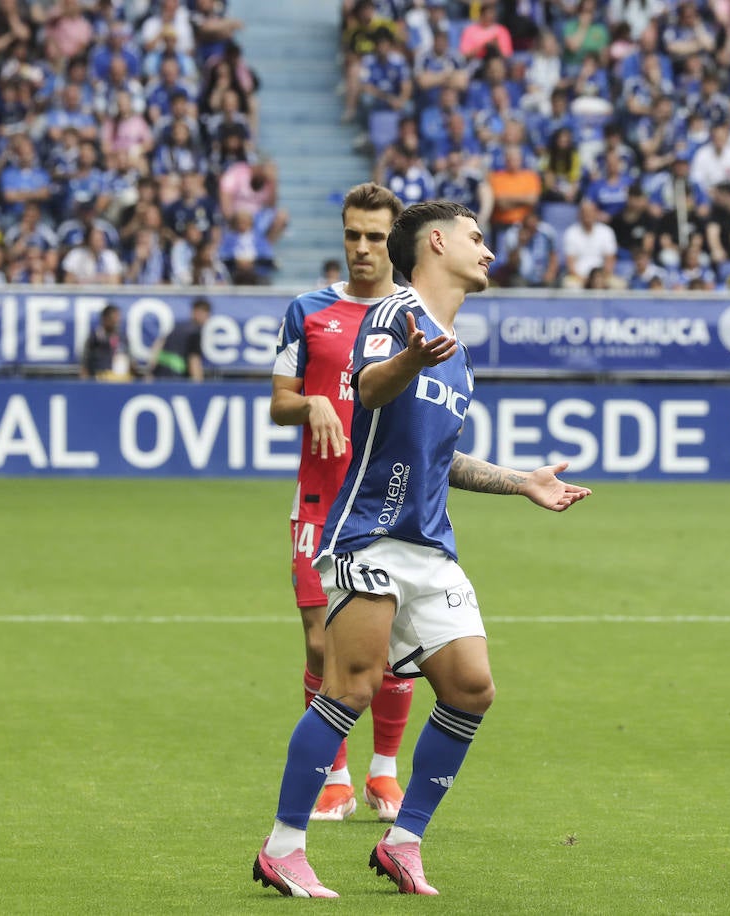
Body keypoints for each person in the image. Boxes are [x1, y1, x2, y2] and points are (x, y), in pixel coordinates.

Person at [253, 199, 591, 898]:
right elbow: (368, 391)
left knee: (472, 690)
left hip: (429, 546)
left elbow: (446, 462)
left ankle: (402, 841)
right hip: (368, 532)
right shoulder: (394, 315)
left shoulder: (456, 351)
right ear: (436, 242)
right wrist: (409, 355)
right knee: (352, 686)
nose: (488, 251)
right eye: (476, 238)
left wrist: (522, 481)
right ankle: (282, 847)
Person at [267, 184, 419, 825]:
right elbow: (280, 403)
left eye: (375, 237)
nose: (361, 248)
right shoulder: (308, 310)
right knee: (317, 643)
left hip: (388, 501)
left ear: (395, 243)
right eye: (353, 235)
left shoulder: (416, 315)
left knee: (388, 646)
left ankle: (385, 772)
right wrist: (314, 402)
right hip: (319, 498)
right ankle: (335, 774)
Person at [150, 297, 211, 380]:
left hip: (159, 377)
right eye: (206, 314)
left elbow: (157, 347)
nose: (207, 318)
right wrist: (199, 385)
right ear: (198, 313)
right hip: (177, 380)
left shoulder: (176, 328)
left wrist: (150, 374)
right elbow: (194, 360)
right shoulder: (195, 332)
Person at [79, 303, 135, 381]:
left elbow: (130, 357)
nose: (117, 321)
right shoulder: (95, 337)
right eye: (114, 318)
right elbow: (85, 359)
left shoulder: (122, 337)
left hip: (120, 379)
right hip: (99, 378)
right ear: (105, 319)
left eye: (118, 317)